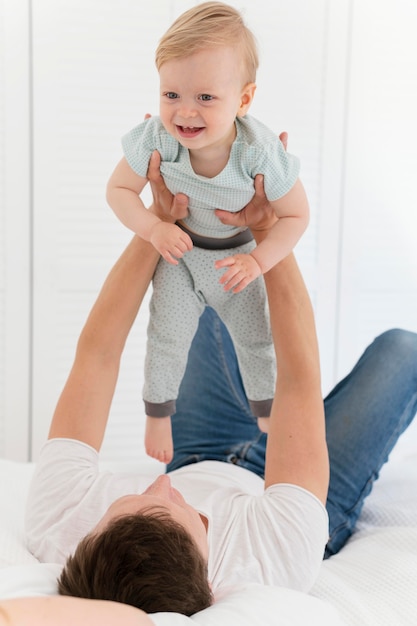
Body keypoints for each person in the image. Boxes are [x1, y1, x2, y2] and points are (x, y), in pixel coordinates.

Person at [21, 153, 417, 622]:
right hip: (282, 492)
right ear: (212, 581)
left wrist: (159, 224)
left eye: (138, 497)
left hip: (201, 450)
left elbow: (97, 354)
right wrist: (269, 232)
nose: (162, 483)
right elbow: (297, 380)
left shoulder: (59, 523)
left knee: (204, 289)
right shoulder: (270, 559)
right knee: (403, 351)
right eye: (180, 509)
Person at [106, 1, 310, 462]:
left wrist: (258, 260)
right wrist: (154, 228)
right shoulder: (157, 138)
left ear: (243, 99)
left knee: (257, 337)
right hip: (180, 255)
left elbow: (297, 216)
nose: (185, 113)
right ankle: (158, 412)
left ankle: (267, 411)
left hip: (234, 257)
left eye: (206, 98)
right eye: (171, 95)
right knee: (166, 334)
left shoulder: (258, 152)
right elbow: (118, 190)